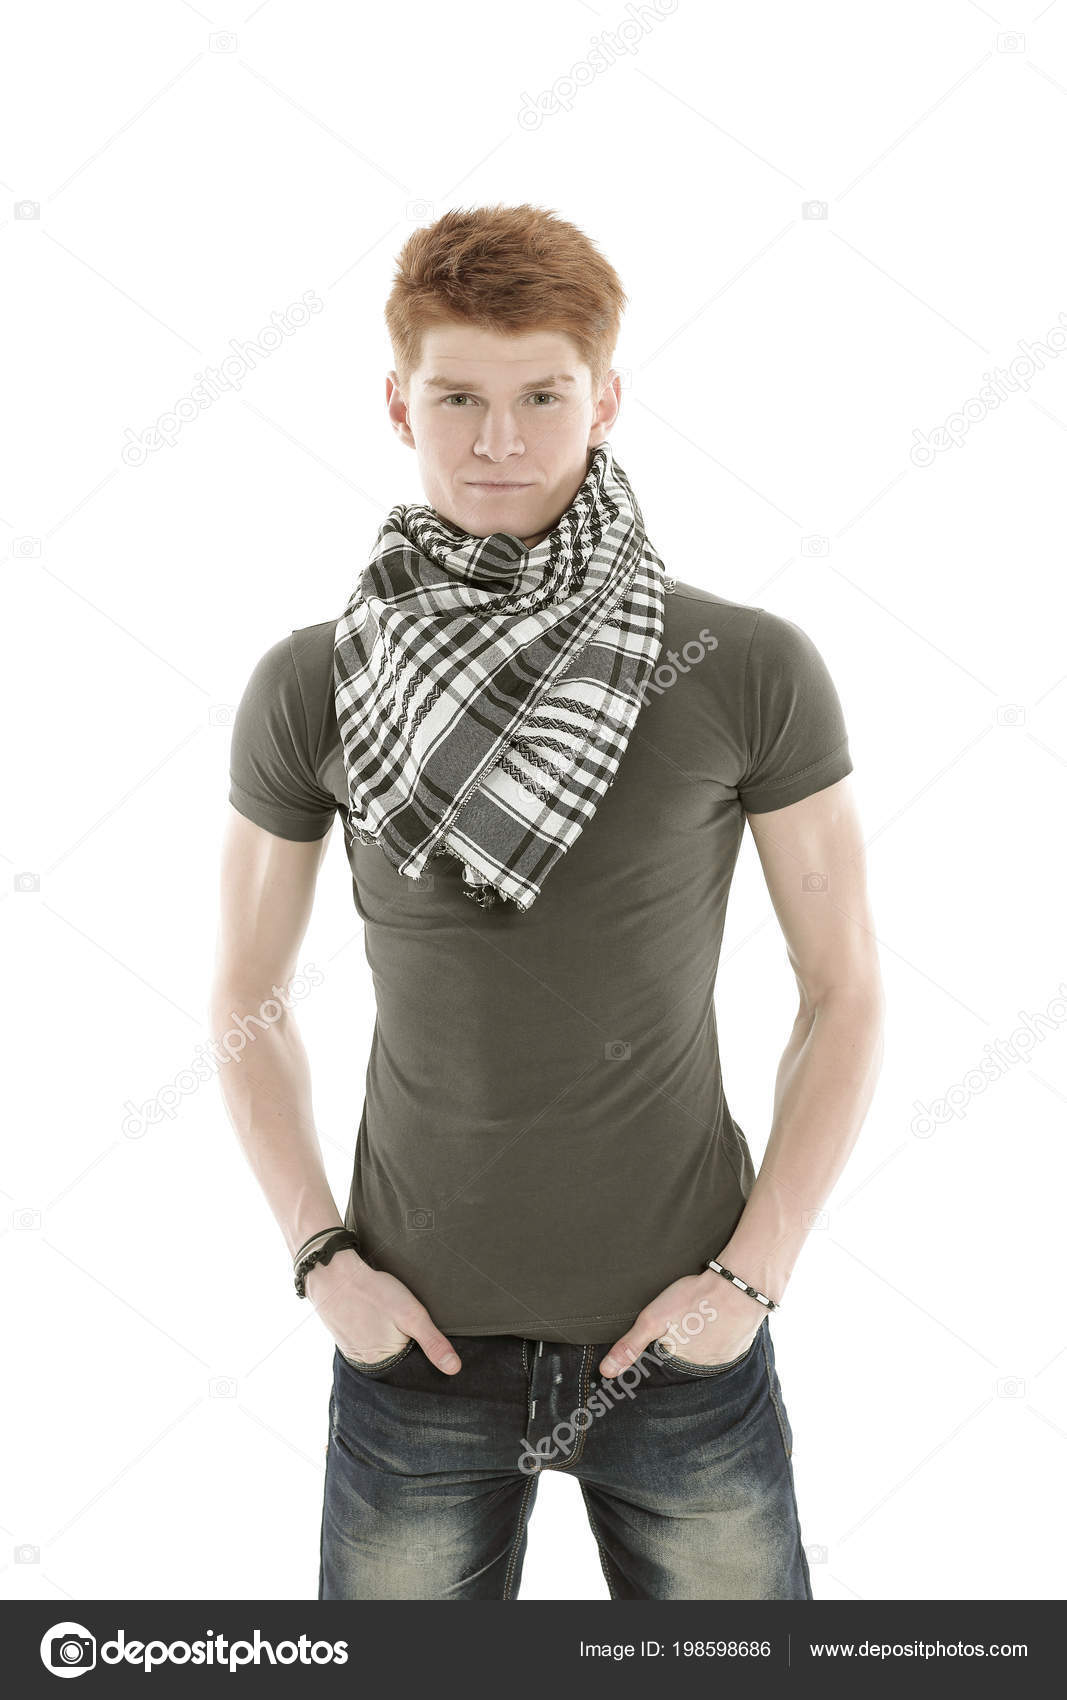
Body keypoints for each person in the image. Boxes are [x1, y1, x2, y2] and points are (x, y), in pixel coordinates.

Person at [211, 203, 885, 1601]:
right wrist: (322, 1259)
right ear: (400, 403)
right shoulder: (314, 681)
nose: (498, 439)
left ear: (607, 400)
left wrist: (747, 1287)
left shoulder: (743, 665)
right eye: (458, 396)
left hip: (681, 1339)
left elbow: (847, 989)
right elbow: (243, 997)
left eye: (541, 396)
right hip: (414, 1352)